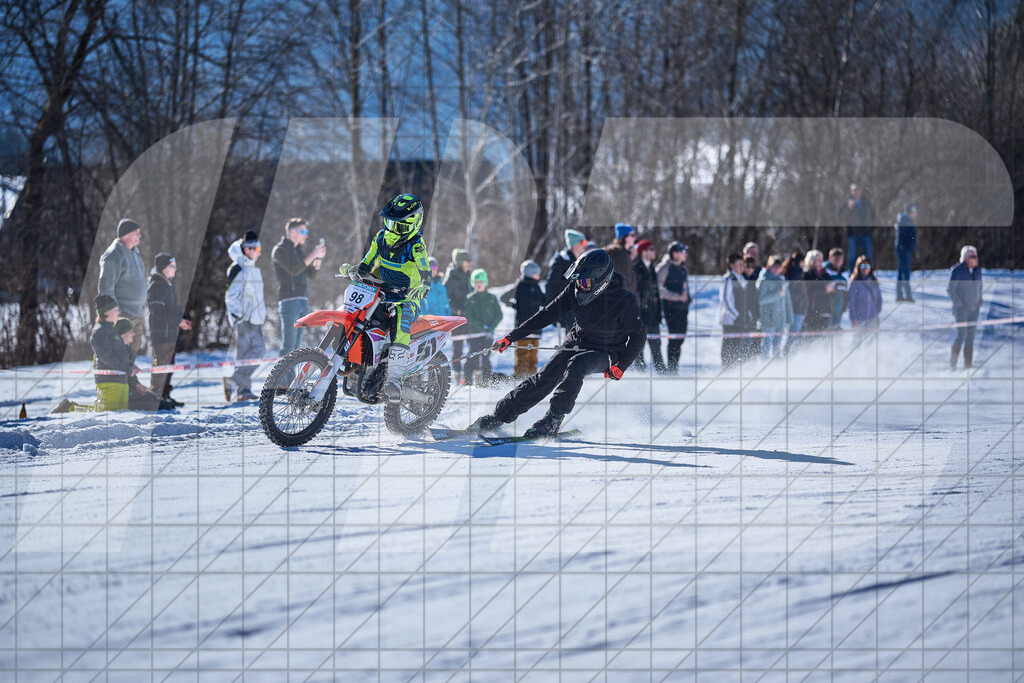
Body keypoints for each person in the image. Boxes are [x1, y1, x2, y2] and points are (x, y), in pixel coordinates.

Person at [471, 249, 644, 438]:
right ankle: (500, 416)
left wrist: (622, 366)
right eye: (578, 280)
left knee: (577, 364)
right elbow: (547, 313)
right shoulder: (574, 290)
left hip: (607, 352)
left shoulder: (623, 300)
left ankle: (553, 420)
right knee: (545, 377)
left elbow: (638, 336)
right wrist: (511, 337)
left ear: (601, 280)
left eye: (585, 281)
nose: (580, 285)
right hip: (577, 342)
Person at [349, 193, 432, 400]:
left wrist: (423, 286)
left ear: (413, 225)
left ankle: (394, 378)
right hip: (380, 293)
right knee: (357, 314)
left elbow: (425, 271)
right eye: (390, 223)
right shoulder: (380, 237)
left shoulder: (416, 245)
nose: (392, 230)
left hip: (406, 298)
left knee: (400, 323)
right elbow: (367, 262)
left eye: (399, 226)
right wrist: (356, 271)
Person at [272, 217, 325, 358]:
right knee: (288, 346)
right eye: (303, 231)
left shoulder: (299, 251)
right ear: (292, 232)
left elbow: (311, 274)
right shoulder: (280, 250)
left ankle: (289, 380)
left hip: (302, 300)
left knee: (296, 348)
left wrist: (318, 258)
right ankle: (281, 380)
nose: (306, 235)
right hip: (289, 301)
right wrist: (313, 254)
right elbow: (294, 270)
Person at [223, 231, 267, 402]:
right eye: (257, 248)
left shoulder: (252, 267)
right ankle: (243, 390)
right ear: (247, 249)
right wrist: (240, 317)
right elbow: (231, 296)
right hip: (244, 321)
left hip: (255, 319)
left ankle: (236, 382)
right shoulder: (237, 268)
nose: (259, 252)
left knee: (259, 351)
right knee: (244, 355)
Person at [98, 218, 147, 353]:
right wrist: (115, 314)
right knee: (118, 356)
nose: (139, 236)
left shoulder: (136, 254)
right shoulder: (114, 255)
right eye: (136, 233)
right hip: (123, 315)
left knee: (130, 358)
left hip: (137, 315)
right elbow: (106, 288)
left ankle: (129, 374)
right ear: (126, 235)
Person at [147, 252, 191, 403]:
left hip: (171, 334)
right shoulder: (156, 285)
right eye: (172, 266)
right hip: (161, 334)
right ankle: (156, 398)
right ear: (164, 268)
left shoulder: (169, 284)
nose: (175, 269)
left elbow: (174, 308)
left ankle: (165, 395)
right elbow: (158, 311)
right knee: (161, 365)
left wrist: (182, 319)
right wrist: (177, 321)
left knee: (170, 365)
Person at [116, 318, 175, 411]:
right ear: (123, 333)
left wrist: (138, 385)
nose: (133, 334)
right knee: (164, 406)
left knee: (160, 400)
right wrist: (136, 386)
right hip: (125, 393)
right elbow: (122, 374)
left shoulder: (127, 349)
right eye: (131, 331)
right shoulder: (116, 351)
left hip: (132, 390)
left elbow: (130, 375)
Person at [500, 259, 546, 377]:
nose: (539, 275)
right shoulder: (520, 286)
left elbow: (545, 302)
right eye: (537, 273)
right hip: (522, 329)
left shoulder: (536, 287)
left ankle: (531, 381)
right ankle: (519, 380)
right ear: (530, 273)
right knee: (522, 357)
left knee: (533, 358)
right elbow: (504, 297)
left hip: (535, 329)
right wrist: (515, 305)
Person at [463, 269, 503, 385]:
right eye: (476, 282)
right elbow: (468, 316)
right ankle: (468, 380)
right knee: (473, 355)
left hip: (488, 334)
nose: (478, 284)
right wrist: (481, 326)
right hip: (474, 333)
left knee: (486, 356)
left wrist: (491, 326)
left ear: (485, 282)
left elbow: (499, 315)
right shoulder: (470, 298)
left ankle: (486, 380)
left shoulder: (491, 298)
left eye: (480, 281)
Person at [91, 295, 130, 411]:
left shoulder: (111, 330)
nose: (119, 312)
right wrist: (127, 368)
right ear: (107, 312)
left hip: (120, 379)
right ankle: (71, 408)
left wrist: (130, 366)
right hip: (109, 382)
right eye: (116, 310)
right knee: (104, 418)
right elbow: (107, 358)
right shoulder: (100, 332)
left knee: (122, 419)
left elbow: (119, 354)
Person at [545, 228, 589, 331]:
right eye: (582, 242)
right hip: (567, 312)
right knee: (571, 344)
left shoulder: (581, 261)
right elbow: (551, 288)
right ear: (575, 245)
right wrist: (554, 311)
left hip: (582, 312)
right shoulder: (561, 262)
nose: (585, 245)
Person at [656, 242, 689, 373]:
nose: (685, 254)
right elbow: (658, 288)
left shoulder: (684, 269)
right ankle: (672, 368)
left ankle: (674, 367)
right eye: (682, 252)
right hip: (670, 309)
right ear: (675, 253)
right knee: (674, 339)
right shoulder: (665, 268)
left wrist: (687, 299)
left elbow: (685, 287)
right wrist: (676, 297)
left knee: (681, 338)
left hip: (683, 309)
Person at [947, 245, 983, 370]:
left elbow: (979, 287)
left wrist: (979, 301)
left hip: (974, 309)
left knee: (971, 337)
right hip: (961, 310)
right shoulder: (957, 271)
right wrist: (959, 305)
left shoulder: (978, 271)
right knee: (961, 335)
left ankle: (968, 366)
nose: (976, 259)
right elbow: (951, 289)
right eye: (972, 256)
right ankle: (953, 366)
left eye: (976, 256)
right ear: (965, 258)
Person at [632, 240, 665, 373]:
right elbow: (635, 293)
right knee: (639, 349)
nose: (654, 251)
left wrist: (658, 314)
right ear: (643, 251)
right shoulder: (635, 268)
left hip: (653, 317)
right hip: (639, 316)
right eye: (651, 249)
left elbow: (655, 292)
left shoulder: (651, 267)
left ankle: (663, 375)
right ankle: (640, 378)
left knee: (657, 347)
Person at [444, 248, 473, 383]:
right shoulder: (452, 277)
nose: (470, 263)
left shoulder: (469, 276)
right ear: (460, 262)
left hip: (471, 319)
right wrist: (457, 310)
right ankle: (457, 376)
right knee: (458, 350)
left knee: (473, 348)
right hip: (458, 320)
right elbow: (444, 300)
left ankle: (468, 376)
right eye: (468, 261)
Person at [756, 256, 793, 358]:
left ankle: (777, 370)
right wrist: (777, 294)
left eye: (778, 267)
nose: (776, 269)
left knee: (777, 349)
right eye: (774, 266)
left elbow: (787, 301)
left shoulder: (782, 280)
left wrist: (790, 318)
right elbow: (761, 300)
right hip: (768, 320)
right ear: (769, 267)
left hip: (781, 320)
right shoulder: (764, 280)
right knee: (766, 348)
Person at [719, 253, 749, 367]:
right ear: (731, 265)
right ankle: (726, 368)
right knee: (729, 346)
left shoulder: (742, 279)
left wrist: (746, 314)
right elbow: (725, 300)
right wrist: (736, 315)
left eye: (743, 264)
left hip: (740, 320)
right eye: (739, 264)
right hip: (730, 320)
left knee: (738, 347)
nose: (742, 267)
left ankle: (734, 368)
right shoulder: (728, 279)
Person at [839, 184, 876, 270]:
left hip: (865, 233)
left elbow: (872, 217)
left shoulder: (866, 203)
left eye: (857, 190)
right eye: (854, 190)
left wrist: (871, 230)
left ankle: (869, 274)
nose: (856, 192)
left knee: (868, 255)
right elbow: (841, 216)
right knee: (852, 255)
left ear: (860, 191)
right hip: (852, 233)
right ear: (851, 192)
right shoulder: (847, 203)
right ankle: (852, 274)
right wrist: (848, 208)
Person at [802, 250, 835, 332]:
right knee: (813, 335)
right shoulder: (807, 274)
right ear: (811, 261)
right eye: (818, 259)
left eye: (821, 259)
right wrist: (825, 289)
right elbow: (809, 291)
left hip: (826, 309)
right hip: (813, 310)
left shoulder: (826, 274)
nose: (820, 261)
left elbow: (832, 288)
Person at [847, 256, 882, 329]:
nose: (865, 268)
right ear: (858, 267)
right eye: (862, 265)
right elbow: (851, 302)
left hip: (872, 319)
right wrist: (853, 318)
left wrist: (876, 313)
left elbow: (879, 299)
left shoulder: (874, 282)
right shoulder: (855, 282)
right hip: (859, 319)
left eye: (867, 265)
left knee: (871, 339)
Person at [605, 223, 638, 296]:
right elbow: (625, 281)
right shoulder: (622, 256)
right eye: (632, 235)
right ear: (625, 237)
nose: (635, 238)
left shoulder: (620, 254)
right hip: (623, 301)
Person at [895, 204, 918, 302]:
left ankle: (899, 295)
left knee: (901, 272)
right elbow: (903, 236)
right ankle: (907, 295)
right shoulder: (905, 220)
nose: (915, 214)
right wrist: (906, 248)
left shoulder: (906, 220)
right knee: (905, 272)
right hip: (903, 250)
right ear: (910, 212)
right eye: (914, 212)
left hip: (903, 249)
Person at [782, 250, 807, 338]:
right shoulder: (795, 273)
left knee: (793, 336)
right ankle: (787, 352)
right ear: (801, 261)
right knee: (792, 337)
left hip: (796, 308)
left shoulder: (795, 272)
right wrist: (801, 300)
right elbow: (792, 291)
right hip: (795, 308)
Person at [824, 247, 849, 327]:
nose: (838, 261)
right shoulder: (825, 271)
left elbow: (846, 288)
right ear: (830, 259)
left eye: (840, 259)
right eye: (835, 259)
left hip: (841, 306)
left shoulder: (844, 272)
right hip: (828, 306)